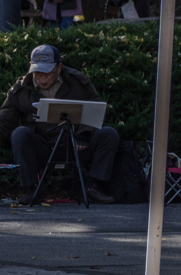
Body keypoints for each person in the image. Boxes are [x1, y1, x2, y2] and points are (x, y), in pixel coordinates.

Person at [0, 44, 119, 205]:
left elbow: (97, 109)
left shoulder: (79, 82)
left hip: (75, 146)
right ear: (31, 67)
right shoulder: (20, 89)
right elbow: (5, 120)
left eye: (47, 73)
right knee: (20, 133)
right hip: (42, 148)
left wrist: (85, 132)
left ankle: (93, 187)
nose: (42, 78)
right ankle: (32, 189)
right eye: (37, 73)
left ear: (59, 67)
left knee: (108, 134)